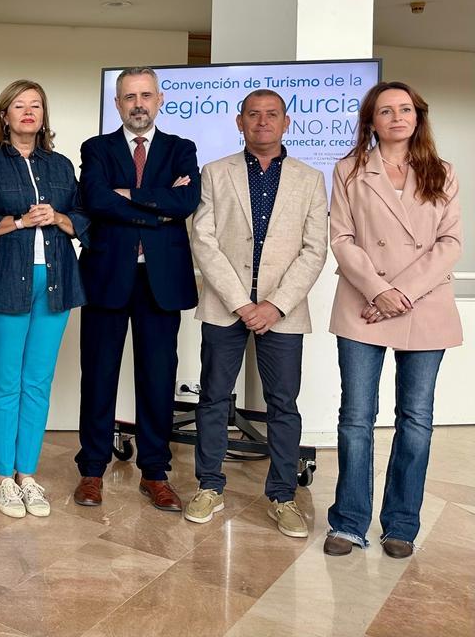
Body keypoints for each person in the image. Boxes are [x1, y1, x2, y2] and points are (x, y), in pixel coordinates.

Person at [323, 81, 462, 559]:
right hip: (364, 302)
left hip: (424, 304)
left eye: (406, 109)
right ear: (371, 121)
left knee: (416, 420)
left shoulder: (442, 173)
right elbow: (340, 238)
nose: (397, 117)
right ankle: (348, 522)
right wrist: (380, 290)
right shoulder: (348, 170)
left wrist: (400, 292)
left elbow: (451, 243)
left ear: (418, 117)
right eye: (386, 110)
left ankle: (401, 524)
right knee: (356, 418)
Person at [187, 89, 327, 537]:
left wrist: (274, 305)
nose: (262, 122)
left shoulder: (310, 178)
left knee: (283, 404)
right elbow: (203, 239)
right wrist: (242, 302)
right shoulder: (214, 172)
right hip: (226, 306)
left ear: (287, 123)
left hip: (282, 312)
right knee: (213, 398)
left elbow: (314, 249)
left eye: (272, 115)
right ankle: (209, 485)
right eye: (253, 115)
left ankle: (282, 496)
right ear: (239, 122)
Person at [75, 66, 199, 512]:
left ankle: (155, 472)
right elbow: (95, 200)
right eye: (130, 97)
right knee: (99, 376)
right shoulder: (97, 148)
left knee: (158, 379)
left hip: (161, 282)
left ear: (159, 99)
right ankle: (92, 470)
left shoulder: (181, 149)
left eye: (146, 95)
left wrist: (127, 196)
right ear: (118, 104)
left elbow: (186, 202)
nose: (138, 103)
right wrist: (157, 208)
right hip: (108, 277)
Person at [0, 80, 88, 519]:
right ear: (4, 115)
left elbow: (84, 215)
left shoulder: (60, 164)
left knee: (38, 382)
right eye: (19, 106)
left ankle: (28, 475)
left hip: (56, 282)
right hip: (6, 279)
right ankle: (4, 478)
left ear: (43, 116)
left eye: (36, 106)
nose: (28, 112)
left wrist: (61, 217)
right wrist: (20, 221)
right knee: (5, 381)